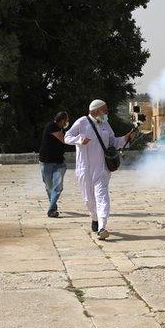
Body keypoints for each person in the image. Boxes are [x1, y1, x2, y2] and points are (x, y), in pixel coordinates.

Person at [64, 99, 135, 240]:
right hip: (84, 169)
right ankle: (95, 218)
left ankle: (102, 226)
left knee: (102, 197)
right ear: (96, 111)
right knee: (88, 200)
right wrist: (79, 139)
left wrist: (126, 138)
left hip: (102, 169)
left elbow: (113, 142)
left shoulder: (106, 124)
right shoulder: (82, 122)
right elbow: (67, 137)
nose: (107, 113)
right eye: (105, 110)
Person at [39, 111, 71, 218]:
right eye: (66, 120)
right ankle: (53, 206)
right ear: (62, 120)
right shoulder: (52, 126)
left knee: (57, 187)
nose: (67, 122)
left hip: (59, 163)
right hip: (46, 162)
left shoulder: (61, 128)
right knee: (49, 187)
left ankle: (51, 209)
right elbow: (64, 139)